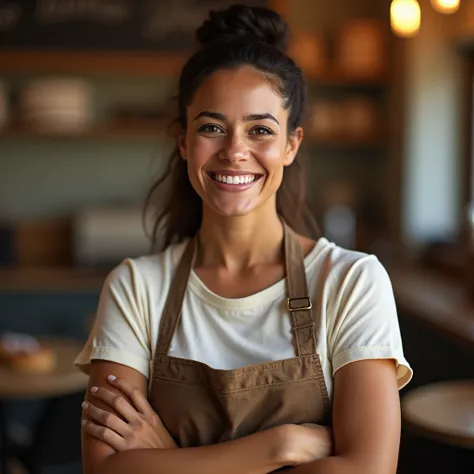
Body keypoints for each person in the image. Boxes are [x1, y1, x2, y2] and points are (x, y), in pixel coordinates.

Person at [75, 4, 413, 474]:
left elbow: (367, 471)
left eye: (260, 130)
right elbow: (106, 470)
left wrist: (169, 461)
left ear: (291, 144)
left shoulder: (352, 282)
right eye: (212, 128)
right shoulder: (136, 288)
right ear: (183, 142)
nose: (235, 151)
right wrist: (279, 447)